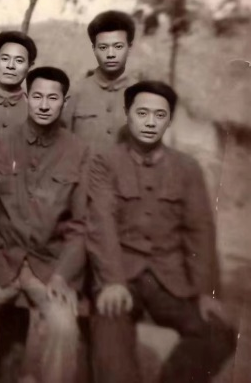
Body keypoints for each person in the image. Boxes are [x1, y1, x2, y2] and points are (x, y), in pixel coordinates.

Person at [88, 80, 237, 383]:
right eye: (142, 113)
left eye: (160, 115)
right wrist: (112, 281)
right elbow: (101, 224)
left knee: (218, 333)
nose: (150, 122)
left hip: (171, 281)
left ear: (169, 121)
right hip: (121, 276)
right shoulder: (105, 162)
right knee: (112, 358)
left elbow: (200, 230)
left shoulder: (187, 168)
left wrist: (206, 292)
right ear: (128, 114)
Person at [0, 66, 89, 383]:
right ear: (26, 97)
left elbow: (81, 225)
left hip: (49, 267)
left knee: (63, 327)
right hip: (2, 260)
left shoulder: (79, 152)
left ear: (64, 102)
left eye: (52, 98)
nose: (44, 105)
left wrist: (64, 276)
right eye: (37, 96)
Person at [64, 10, 139, 155]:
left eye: (118, 46)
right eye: (103, 47)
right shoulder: (76, 91)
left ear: (129, 48)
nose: (110, 54)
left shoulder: (142, 93)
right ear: (94, 49)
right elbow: (62, 143)